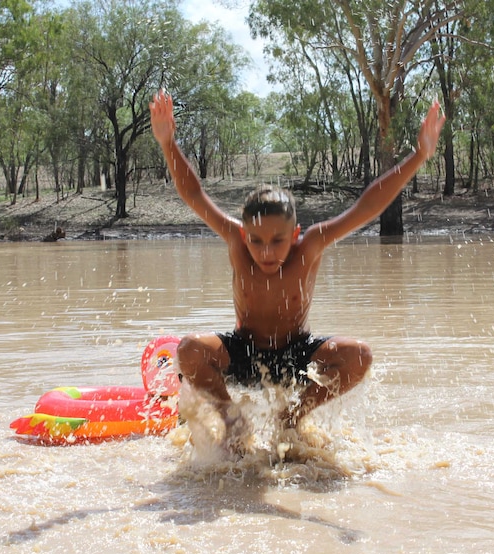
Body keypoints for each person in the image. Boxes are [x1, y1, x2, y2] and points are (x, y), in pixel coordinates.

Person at [150, 89, 445, 441]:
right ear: (244, 236)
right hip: (244, 353)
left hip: (296, 354)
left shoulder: (312, 245)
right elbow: (195, 196)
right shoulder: (235, 240)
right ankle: (231, 420)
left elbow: (366, 208)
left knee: (359, 356)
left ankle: (291, 417)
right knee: (188, 350)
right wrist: (168, 143)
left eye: (278, 241)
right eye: (256, 241)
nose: (266, 251)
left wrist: (419, 156)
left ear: (295, 235)